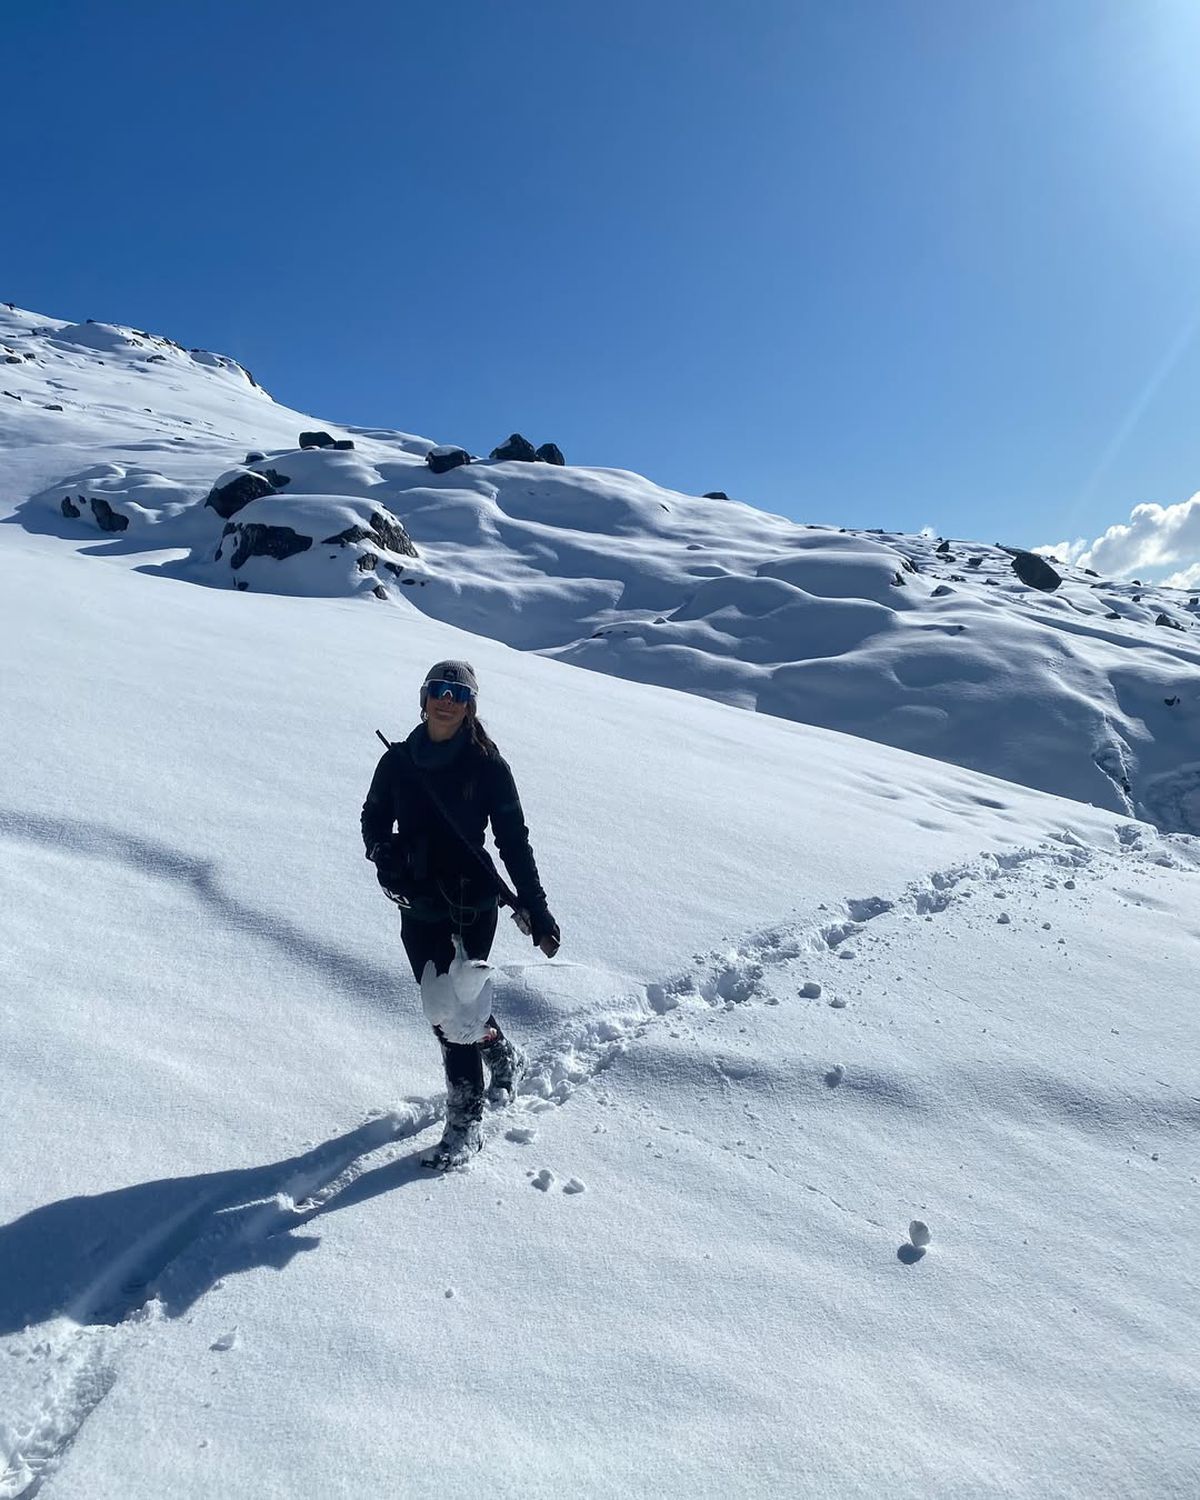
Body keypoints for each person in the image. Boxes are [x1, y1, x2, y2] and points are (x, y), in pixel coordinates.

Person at [361, 660, 560, 1169]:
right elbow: (374, 815)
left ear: (470, 705)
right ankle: (499, 1052)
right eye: (438, 689)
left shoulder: (488, 766)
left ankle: (465, 1121)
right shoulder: (400, 760)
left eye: (458, 692)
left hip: (473, 902)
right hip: (416, 901)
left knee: (455, 1013)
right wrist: (383, 851)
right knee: (441, 1005)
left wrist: (535, 908)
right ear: (423, 697)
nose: (446, 699)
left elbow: (514, 841)